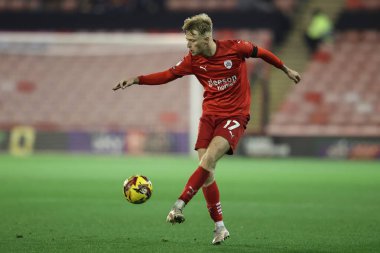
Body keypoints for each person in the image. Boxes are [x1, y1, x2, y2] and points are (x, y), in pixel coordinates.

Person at [113, 13, 301, 245]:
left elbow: (262, 53)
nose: (188, 45)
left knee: (209, 160)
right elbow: (167, 75)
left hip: (235, 116)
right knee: (207, 173)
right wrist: (137, 79)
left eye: (192, 41)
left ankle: (178, 205)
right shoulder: (192, 60)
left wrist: (286, 69)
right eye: (187, 41)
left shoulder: (235, 48)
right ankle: (219, 227)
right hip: (209, 117)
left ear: (207, 38)